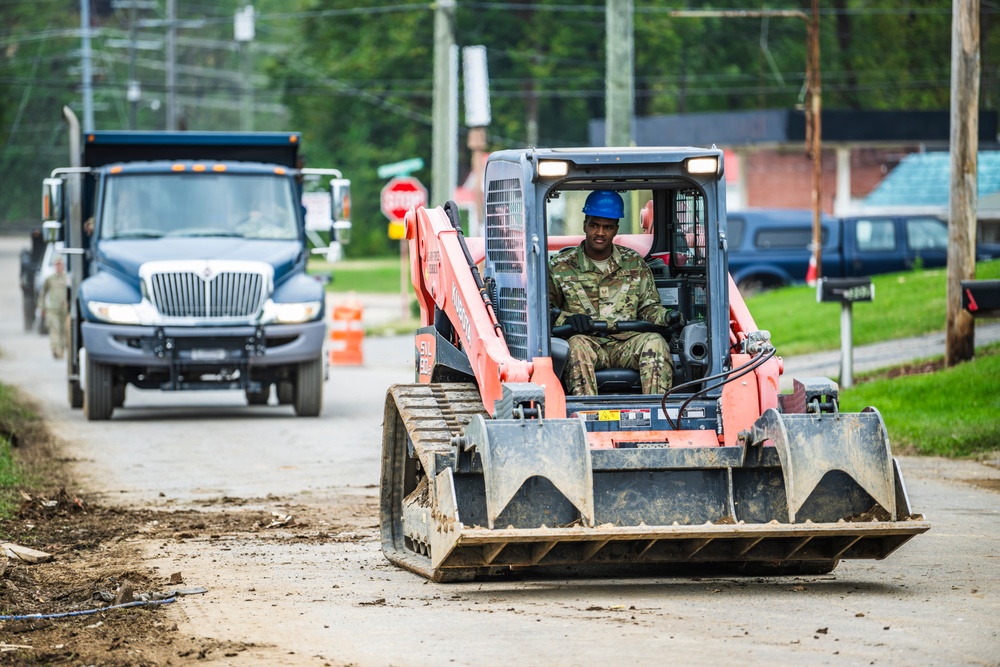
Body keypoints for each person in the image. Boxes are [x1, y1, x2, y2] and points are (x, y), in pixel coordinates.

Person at [548, 190, 682, 396]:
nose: (600, 233)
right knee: (574, 346)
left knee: (655, 341)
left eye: (607, 227)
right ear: (585, 225)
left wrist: (667, 317)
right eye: (594, 225)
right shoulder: (560, 266)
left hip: (627, 343)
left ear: (615, 229)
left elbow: (648, 307)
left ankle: (656, 415)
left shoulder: (633, 263)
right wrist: (569, 320)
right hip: (587, 342)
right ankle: (587, 418)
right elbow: (547, 312)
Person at [39, 256, 68, 359]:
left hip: (64, 309)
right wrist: (42, 307)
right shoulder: (50, 279)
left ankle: (63, 350)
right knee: (54, 329)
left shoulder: (67, 279)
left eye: (60, 264)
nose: (59, 266)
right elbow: (42, 293)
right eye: (57, 264)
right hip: (52, 309)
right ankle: (56, 351)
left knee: (64, 331)